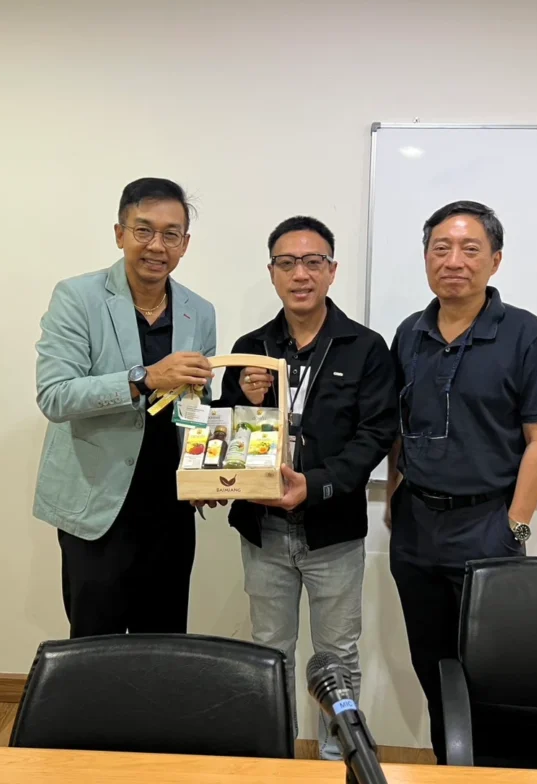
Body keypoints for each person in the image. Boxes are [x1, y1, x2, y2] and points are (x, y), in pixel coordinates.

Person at [385, 200, 537, 764]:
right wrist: (393, 498)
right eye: (441, 248)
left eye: (470, 249)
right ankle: (449, 766)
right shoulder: (409, 333)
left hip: (488, 526)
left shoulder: (524, 333)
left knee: (491, 669)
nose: (454, 261)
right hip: (416, 529)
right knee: (432, 665)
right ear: (426, 258)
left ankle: (495, 772)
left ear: (495, 260)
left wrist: (516, 525)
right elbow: (398, 426)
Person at [217, 216, 397, 760]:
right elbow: (225, 433)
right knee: (269, 653)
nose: (301, 274)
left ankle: (337, 763)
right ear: (272, 272)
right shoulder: (250, 347)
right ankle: (274, 760)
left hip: (333, 531)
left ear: (332, 271)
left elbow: (375, 434)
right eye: (288, 263)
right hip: (264, 530)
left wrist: (314, 486)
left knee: (337, 657)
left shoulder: (366, 347)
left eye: (313, 262)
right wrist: (246, 401)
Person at [33, 177, 216, 639]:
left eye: (171, 234)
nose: (157, 246)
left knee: (163, 647)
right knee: (95, 649)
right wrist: (144, 378)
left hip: (171, 511)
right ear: (120, 234)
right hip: (98, 508)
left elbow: (197, 403)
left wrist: (205, 468)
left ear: (185, 244)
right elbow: (55, 395)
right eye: (143, 230)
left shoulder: (199, 311)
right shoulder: (77, 297)